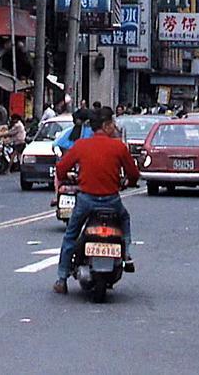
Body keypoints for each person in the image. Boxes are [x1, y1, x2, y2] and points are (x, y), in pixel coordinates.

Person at [52, 107, 138, 294]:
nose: (115, 127)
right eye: (113, 123)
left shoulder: (81, 145)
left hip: (86, 200)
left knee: (70, 235)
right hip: (111, 201)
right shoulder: (119, 147)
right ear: (106, 126)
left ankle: (61, 278)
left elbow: (61, 169)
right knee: (124, 219)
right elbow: (133, 174)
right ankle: (127, 253)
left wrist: (71, 177)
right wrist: (128, 182)